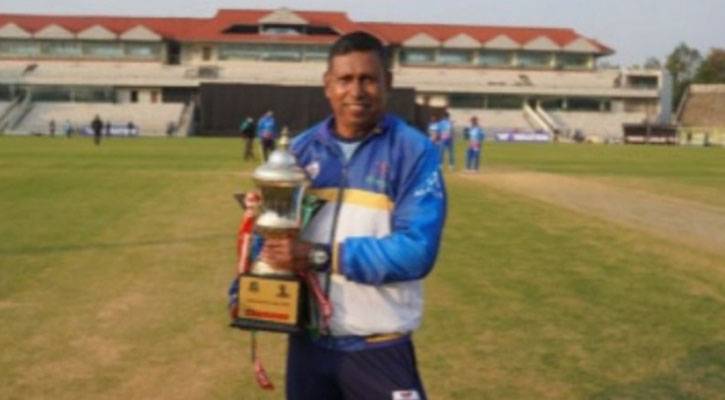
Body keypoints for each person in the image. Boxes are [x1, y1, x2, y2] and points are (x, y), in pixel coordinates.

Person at [260, 31, 446, 400]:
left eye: (368, 79)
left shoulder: (414, 151)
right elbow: (273, 236)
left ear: (387, 83)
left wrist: (320, 256)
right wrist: (250, 287)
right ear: (328, 85)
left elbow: (417, 251)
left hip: (379, 347)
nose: (356, 91)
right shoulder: (300, 151)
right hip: (308, 345)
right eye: (345, 79)